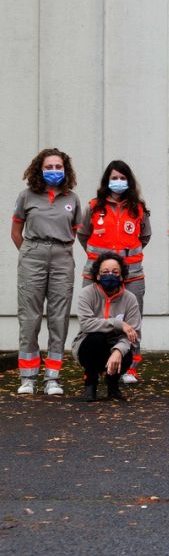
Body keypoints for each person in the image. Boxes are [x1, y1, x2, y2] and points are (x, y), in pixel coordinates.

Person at [12, 148, 82, 396]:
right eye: (49, 167)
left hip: (62, 257)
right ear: (39, 169)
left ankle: (53, 378)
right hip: (33, 254)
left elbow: (75, 231)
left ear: (66, 170)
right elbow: (16, 232)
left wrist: (57, 250)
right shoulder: (27, 196)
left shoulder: (72, 199)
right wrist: (31, 254)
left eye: (59, 167)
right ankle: (28, 377)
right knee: (29, 318)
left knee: (58, 317)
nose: (54, 171)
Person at [78, 160, 151, 385]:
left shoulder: (137, 207)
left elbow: (145, 236)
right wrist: (102, 263)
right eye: (114, 178)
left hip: (132, 275)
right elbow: (83, 235)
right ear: (106, 181)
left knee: (132, 320)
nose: (118, 182)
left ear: (128, 181)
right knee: (95, 319)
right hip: (96, 275)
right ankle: (92, 366)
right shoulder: (93, 206)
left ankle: (131, 367)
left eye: (122, 178)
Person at [71, 251, 142, 402]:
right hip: (89, 346)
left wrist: (118, 351)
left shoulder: (130, 299)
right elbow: (86, 324)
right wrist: (118, 323)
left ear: (122, 276)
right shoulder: (87, 294)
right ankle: (90, 383)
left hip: (116, 345)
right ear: (97, 275)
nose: (110, 275)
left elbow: (133, 334)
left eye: (115, 272)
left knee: (125, 349)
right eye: (105, 272)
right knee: (96, 338)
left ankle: (113, 386)